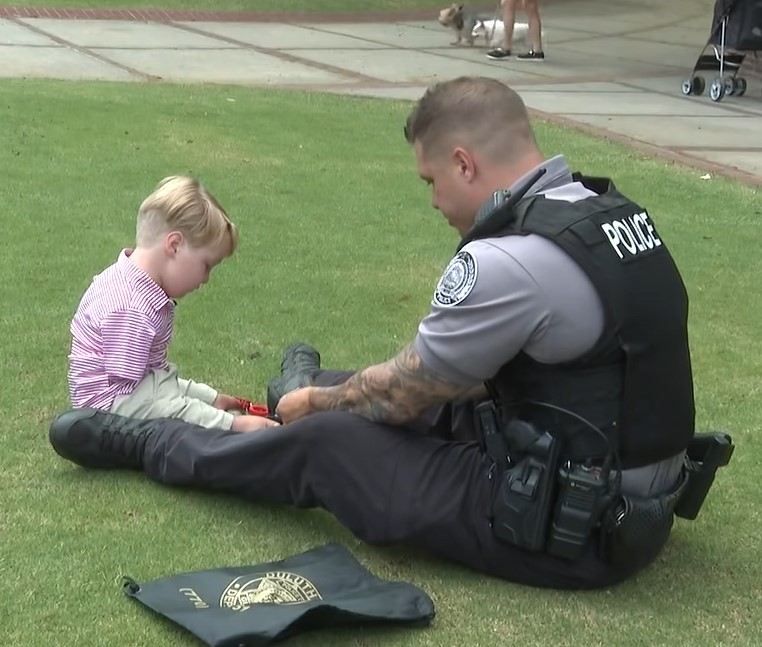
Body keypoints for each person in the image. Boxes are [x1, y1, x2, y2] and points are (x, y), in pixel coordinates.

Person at [51, 77, 698, 590]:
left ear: (465, 164)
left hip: (574, 529)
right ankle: (294, 392)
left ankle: (149, 442)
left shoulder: (511, 258)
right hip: (617, 494)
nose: (435, 202)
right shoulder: (611, 213)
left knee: (328, 437)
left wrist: (316, 405)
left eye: (432, 181)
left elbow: (406, 392)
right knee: (351, 395)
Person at [66, 175, 279, 433]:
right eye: (206, 265)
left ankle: (218, 408)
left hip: (130, 390)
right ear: (175, 245)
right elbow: (142, 395)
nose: (206, 279)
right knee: (177, 412)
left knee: (183, 401)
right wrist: (229, 422)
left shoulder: (139, 288)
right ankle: (235, 426)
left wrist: (207, 397)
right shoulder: (131, 307)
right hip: (106, 409)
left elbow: (156, 377)